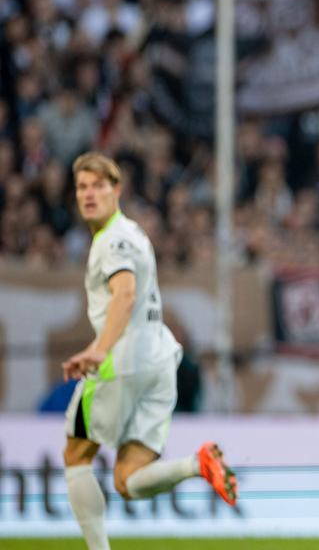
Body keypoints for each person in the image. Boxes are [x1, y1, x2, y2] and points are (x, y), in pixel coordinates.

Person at [61, 152, 236, 550]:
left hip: (121, 363)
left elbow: (125, 294)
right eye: (82, 187)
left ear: (116, 190)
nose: (89, 195)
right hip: (160, 362)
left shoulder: (113, 241)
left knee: (75, 454)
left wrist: (98, 349)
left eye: (98, 186)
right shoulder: (136, 233)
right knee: (127, 480)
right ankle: (197, 464)